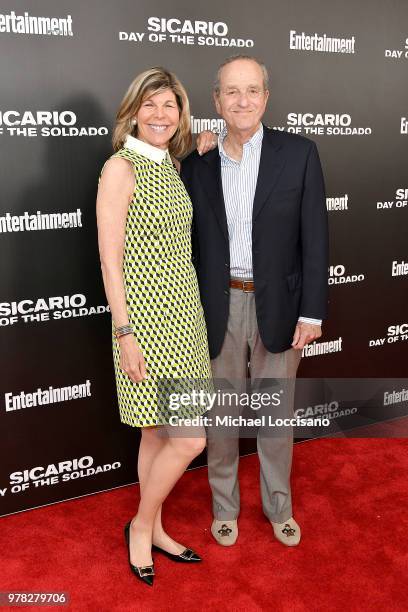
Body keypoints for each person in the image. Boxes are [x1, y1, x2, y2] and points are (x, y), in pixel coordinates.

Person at [182, 55, 329, 548]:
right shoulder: (196, 162)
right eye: (231, 91)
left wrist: (311, 311)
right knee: (219, 417)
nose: (241, 100)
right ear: (216, 101)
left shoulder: (300, 153)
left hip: (281, 309)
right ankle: (225, 508)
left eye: (251, 90)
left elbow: (316, 238)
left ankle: (278, 506)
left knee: (275, 416)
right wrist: (191, 143)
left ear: (265, 97)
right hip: (217, 307)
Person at [96, 67, 213, 586]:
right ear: (133, 112)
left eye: (170, 106)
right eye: (151, 105)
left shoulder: (169, 164)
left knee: (156, 432)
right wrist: (125, 334)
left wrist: (201, 145)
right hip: (143, 323)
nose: (161, 115)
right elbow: (110, 261)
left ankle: (155, 527)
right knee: (189, 440)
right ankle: (141, 525)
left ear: (181, 114)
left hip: (185, 318)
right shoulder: (120, 168)